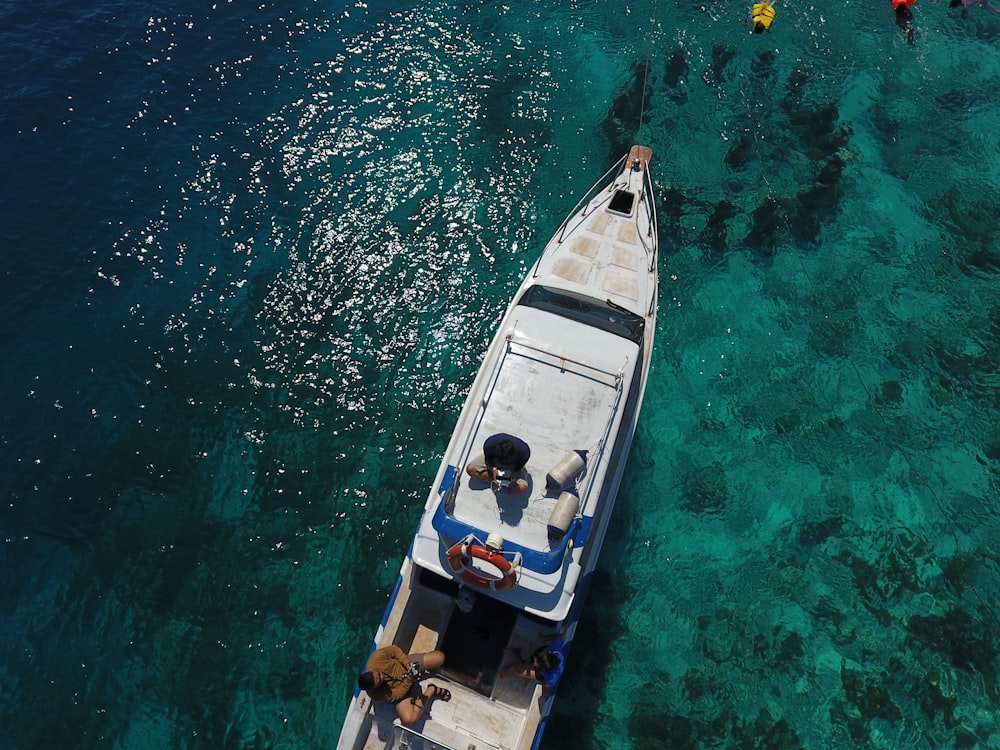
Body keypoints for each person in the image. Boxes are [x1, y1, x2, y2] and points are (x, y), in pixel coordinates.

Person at [357, 645, 449, 724]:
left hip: (406, 666)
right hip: (404, 693)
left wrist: (407, 664)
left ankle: (426, 659)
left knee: (439, 657)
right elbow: (397, 694)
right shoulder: (376, 695)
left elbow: (394, 650)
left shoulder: (376, 659)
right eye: (380, 681)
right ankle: (431, 690)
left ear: (372, 670)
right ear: (374, 687)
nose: (382, 677)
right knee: (408, 719)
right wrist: (409, 679)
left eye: (379, 674)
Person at [465, 433, 530, 495]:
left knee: (522, 489)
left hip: (513, 466)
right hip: (494, 462)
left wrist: (514, 472)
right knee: (470, 469)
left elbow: (519, 465)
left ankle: (503, 482)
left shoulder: (524, 452)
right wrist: (493, 469)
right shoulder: (489, 444)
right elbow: (488, 460)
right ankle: (499, 482)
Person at [500, 634, 566, 690]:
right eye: (535, 661)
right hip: (541, 653)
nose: (533, 664)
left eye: (535, 664)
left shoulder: (552, 678)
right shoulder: (555, 648)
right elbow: (562, 636)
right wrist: (545, 637)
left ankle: (515, 654)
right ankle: (519, 657)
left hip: (540, 670)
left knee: (514, 668)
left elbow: (545, 685)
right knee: (521, 666)